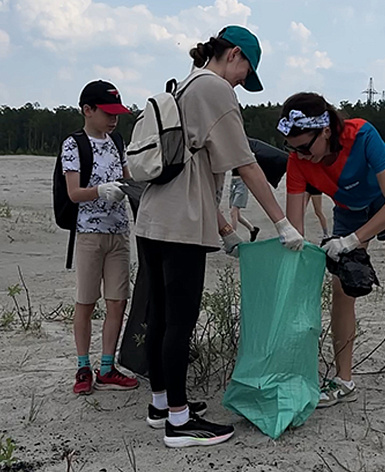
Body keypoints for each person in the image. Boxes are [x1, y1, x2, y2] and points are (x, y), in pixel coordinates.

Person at [134, 25, 303, 448]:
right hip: (182, 224)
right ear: (233, 56)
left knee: (158, 314)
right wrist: (282, 223)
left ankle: (161, 403)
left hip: (152, 217)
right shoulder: (216, 90)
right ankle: (179, 422)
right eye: (248, 69)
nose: (245, 81)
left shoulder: (185, 82)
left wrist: (226, 230)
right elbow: (246, 163)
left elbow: (203, 168)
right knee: (180, 319)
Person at [277, 92, 385, 412]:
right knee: (341, 290)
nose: (300, 155)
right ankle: (344, 380)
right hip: (349, 208)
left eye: (305, 147)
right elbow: (295, 227)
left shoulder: (362, 134)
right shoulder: (298, 161)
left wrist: (350, 241)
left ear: (326, 130)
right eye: (293, 149)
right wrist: (294, 248)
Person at [62, 80, 138, 395]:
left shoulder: (117, 141)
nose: (113, 119)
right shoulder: (74, 144)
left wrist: (132, 189)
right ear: (87, 110)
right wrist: (100, 191)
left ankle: (106, 367)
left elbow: (129, 179)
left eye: (117, 113)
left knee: (117, 300)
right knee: (86, 301)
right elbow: (73, 192)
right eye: (107, 112)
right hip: (90, 234)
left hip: (118, 233)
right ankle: (83, 366)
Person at [229, 168, 260, 241]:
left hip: (241, 182)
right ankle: (252, 229)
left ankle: (232, 237)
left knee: (233, 212)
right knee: (237, 215)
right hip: (233, 182)